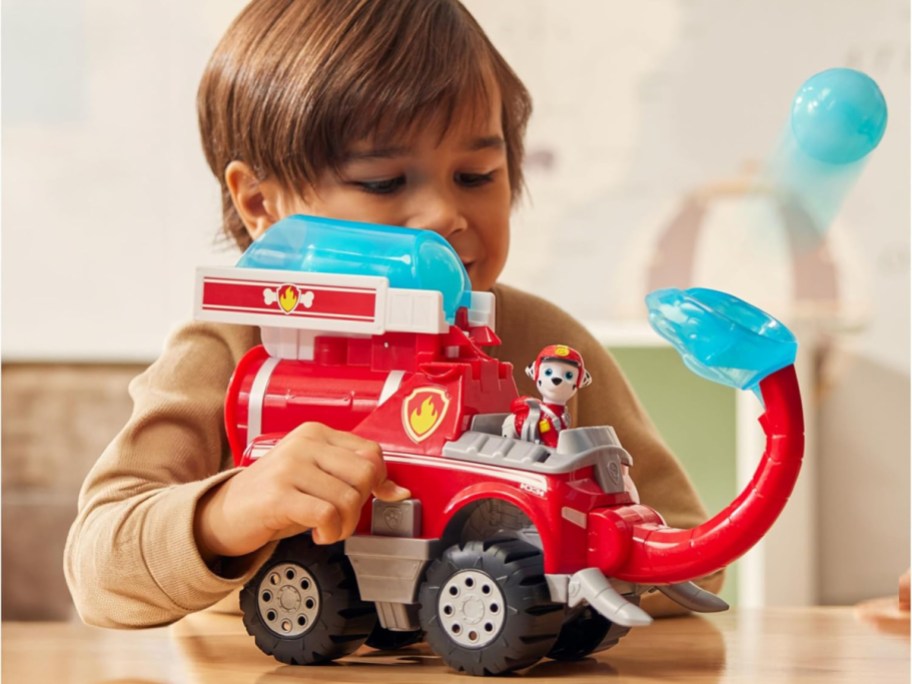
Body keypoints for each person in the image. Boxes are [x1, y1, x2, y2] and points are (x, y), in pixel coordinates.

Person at [65, 0, 721, 629]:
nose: (443, 216)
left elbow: (689, 550)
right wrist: (225, 515)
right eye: (382, 182)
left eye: (477, 174)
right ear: (260, 204)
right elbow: (98, 569)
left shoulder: (546, 348)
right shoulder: (230, 345)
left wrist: (549, 559)